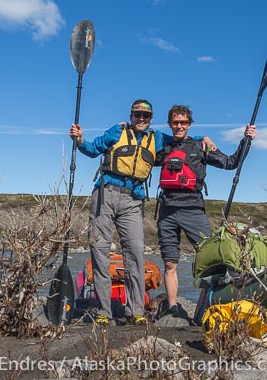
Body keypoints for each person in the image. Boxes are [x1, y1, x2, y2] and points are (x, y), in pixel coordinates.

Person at [69, 99, 215, 326]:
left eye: (145, 116)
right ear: (131, 116)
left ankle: (136, 310)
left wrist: (202, 139)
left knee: (135, 253)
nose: (141, 119)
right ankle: (104, 311)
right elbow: (93, 148)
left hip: (133, 200)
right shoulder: (117, 131)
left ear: (151, 119)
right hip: (105, 194)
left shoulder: (157, 139)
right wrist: (79, 140)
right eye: (137, 115)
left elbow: (181, 139)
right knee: (99, 251)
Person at [155, 104, 256, 317]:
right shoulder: (163, 148)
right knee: (169, 262)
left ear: (189, 125)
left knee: (211, 259)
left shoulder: (201, 147)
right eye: (175, 122)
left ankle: (211, 306)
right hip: (166, 211)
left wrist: (246, 140)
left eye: (183, 122)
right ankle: (172, 307)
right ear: (170, 124)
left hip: (192, 209)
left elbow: (230, 163)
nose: (179, 126)